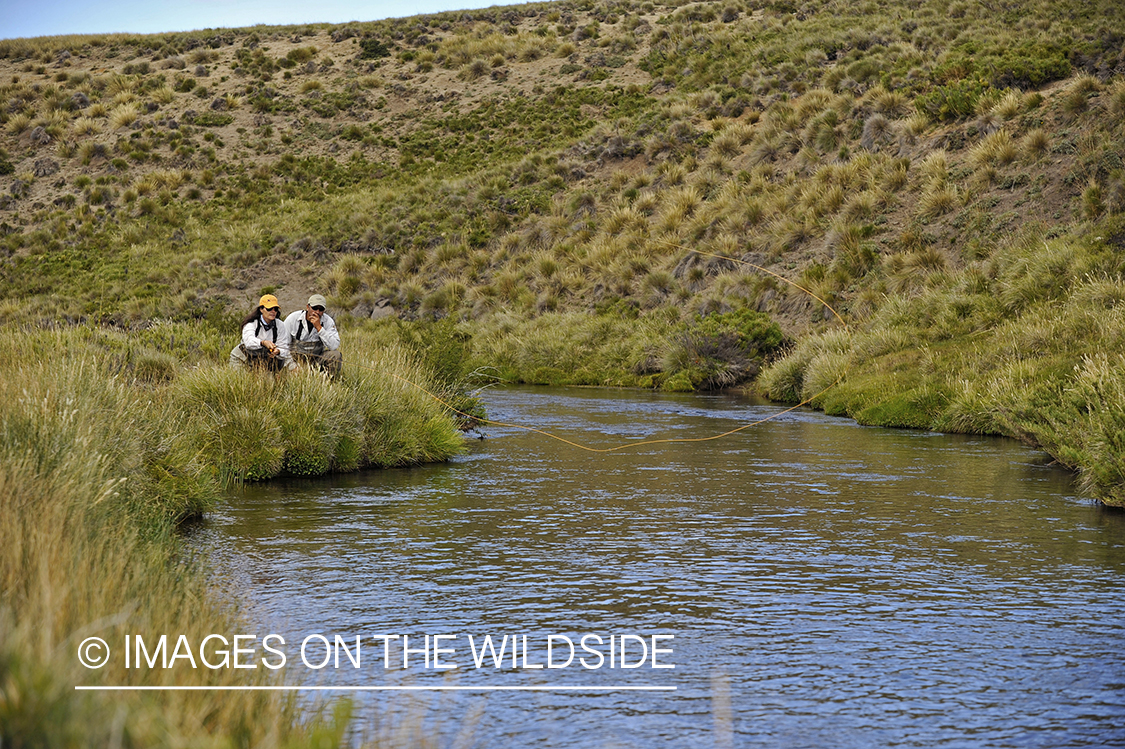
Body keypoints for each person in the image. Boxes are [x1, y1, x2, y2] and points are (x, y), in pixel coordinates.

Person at [229, 294, 296, 372]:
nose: (273, 311)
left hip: (261, 360)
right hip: (242, 358)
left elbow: (284, 347)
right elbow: (249, 342)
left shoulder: (280, 325)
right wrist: (263, 343)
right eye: (269, 309)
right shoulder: (251, 324)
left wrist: (278, 351)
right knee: (240, 381)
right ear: (261, 309)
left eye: (275, 309)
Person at [284, 294, 342, 377]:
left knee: (335, 355)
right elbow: (283, 345)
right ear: (308, 307)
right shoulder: (292, 319)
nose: (317, 312)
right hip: (295, 360)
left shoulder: (328, 321)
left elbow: (334, 346)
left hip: (317, 361)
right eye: (314, 308)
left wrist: (319, 328)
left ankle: (330, 382)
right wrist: (292, 366)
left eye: (321, 309)